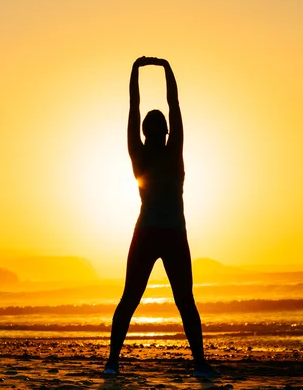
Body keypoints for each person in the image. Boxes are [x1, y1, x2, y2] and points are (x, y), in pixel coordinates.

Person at [103, 56, 220, 378]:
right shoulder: (172, 149)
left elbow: (133, 106)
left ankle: (113, 361)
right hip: (168, 234)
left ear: (145, 132)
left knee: (132, 298)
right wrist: (166, 68)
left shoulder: (139, 153)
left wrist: (136, 70)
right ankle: (198, 363)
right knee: (183, 300)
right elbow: (173, 104)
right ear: (166, 131)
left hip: (150, 234)